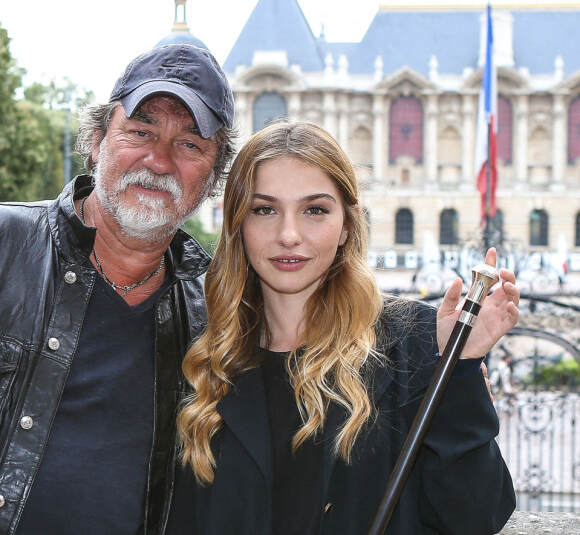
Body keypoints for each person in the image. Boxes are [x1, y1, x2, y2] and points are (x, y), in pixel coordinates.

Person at [175, 120, 519, 535]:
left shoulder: (417, 341)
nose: (288, 235)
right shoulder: (200, 354)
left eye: (315, 210)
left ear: (347, 225)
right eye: (264, 209)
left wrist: (459, 369)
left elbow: (475, 516)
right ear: (237, 224)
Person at [0, 43, 235, 534]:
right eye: (140, 131)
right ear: (97, 141)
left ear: (212, 177)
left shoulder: (218, 312)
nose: (159, 160)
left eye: (190, 144)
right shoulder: (6, 246)